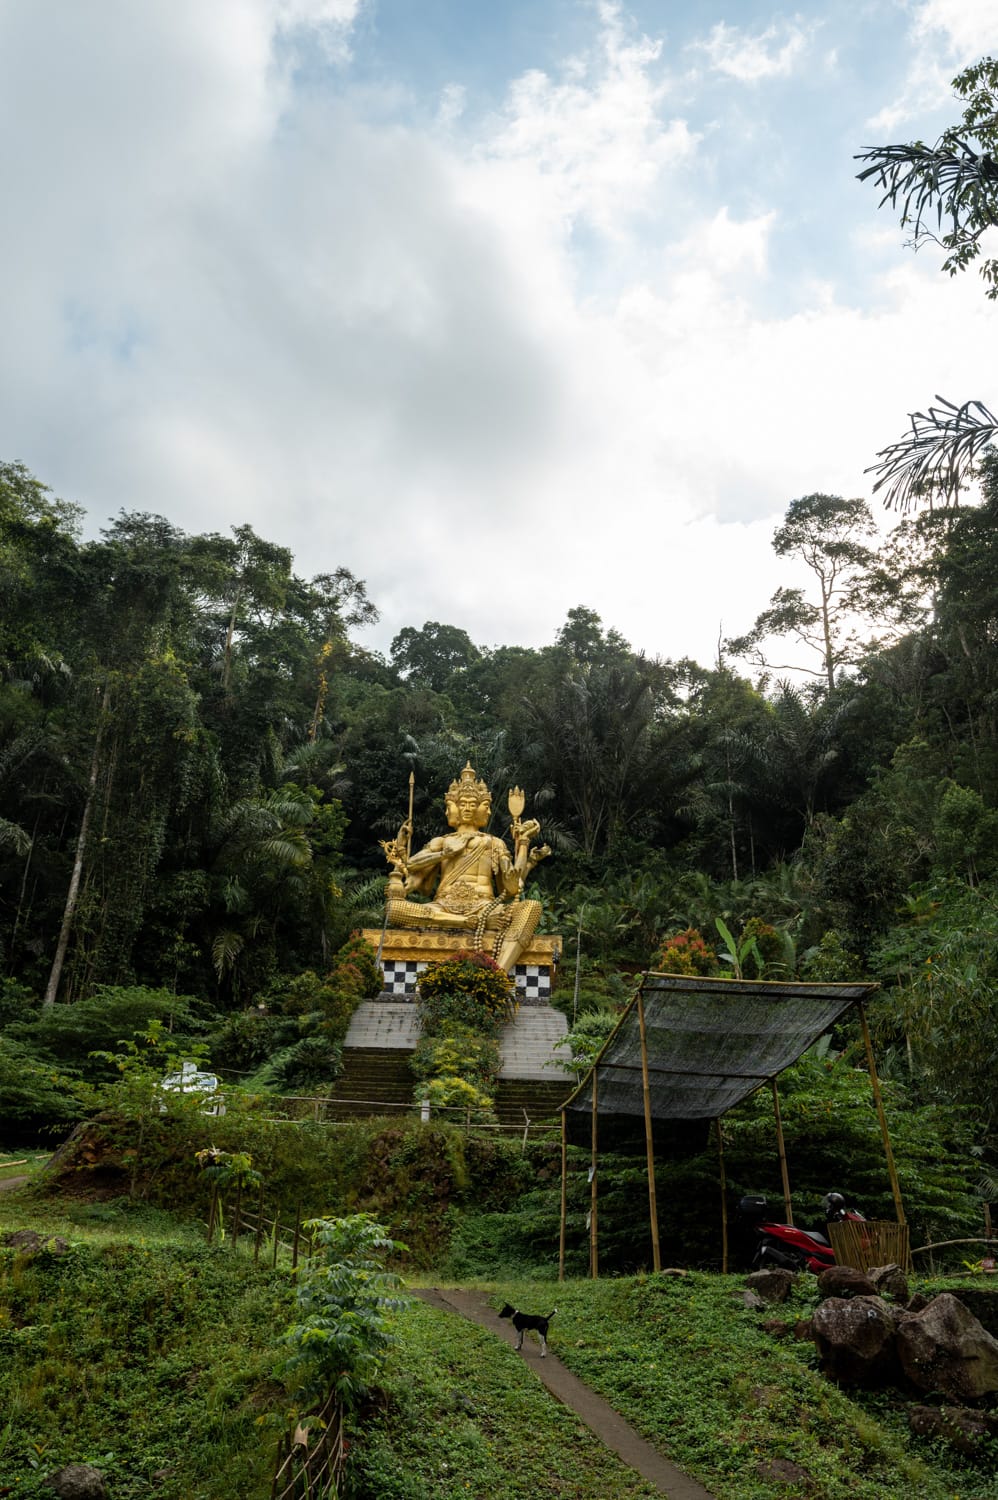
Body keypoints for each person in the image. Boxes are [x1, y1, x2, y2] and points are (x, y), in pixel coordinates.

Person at [381, 763, 549, 973]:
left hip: (486, 908)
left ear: (483, 808)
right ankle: (466, 922)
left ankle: (498, 973)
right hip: (442, 908)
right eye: (462, 804)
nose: (467, 808)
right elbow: (412, 866)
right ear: (453, 808)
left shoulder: (494, 843)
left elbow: (512, 888)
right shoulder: (441, 842)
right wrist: (444, 854)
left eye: (472, 804)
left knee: (531, 907)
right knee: (393, 909)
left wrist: (523, 843)